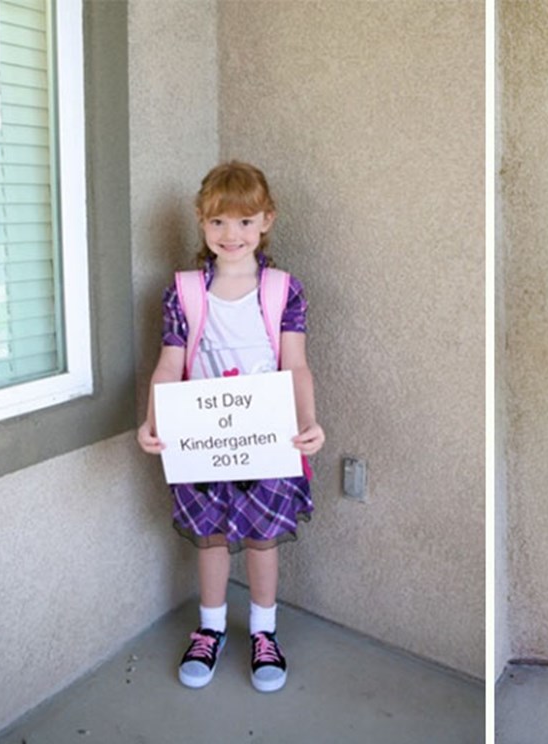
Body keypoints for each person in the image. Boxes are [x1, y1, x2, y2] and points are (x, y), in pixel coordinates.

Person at [137, 161, 325, 693]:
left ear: (266, 221)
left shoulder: (284, 290)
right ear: (201, 221)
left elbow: (296, 366)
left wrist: (308, 422)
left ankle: (264, 633)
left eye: (244, 222)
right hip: (204, 445)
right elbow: (170, 365)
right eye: (218, 222)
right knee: (212, 538)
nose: (231, 234)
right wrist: (152, 421)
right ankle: (212, 627)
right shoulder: (184, 292)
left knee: (264, 540)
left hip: (266, 443)